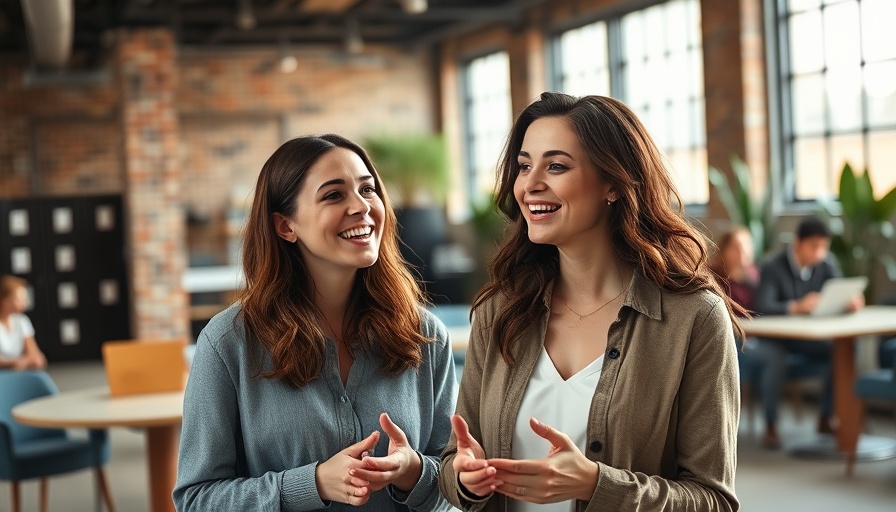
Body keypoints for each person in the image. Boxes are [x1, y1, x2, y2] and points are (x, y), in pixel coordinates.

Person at [439, 92, 741, 511]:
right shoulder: (500, 311)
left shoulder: (694, 318)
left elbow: (713, 500)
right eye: (525, 166)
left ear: (613, 185)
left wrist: (597, 485)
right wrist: (466, 480)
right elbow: (454, 458)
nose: (530, 184)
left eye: (556, 166)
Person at [174, 134, 457, 511]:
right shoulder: (228, 344)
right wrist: (313, 483)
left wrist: (414, 472)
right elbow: (197, 500)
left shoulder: (424, 335)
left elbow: (454, 490)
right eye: (333, 195)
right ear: (285, 226)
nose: (361, 207)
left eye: (368, 189)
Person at [752, 216, 863, 449]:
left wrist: (849, 301)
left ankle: (826, 416)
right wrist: (796, 306)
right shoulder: (774, 266)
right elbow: (762, 306)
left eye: (824, 247)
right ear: (798, 243)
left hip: (808, 338)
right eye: (814, 247)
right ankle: (771, 424)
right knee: (776, 359)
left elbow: (838, 291)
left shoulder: (826, 263)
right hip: (778, 339)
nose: (820, 253)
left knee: (844, 349)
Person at [0, 275, 47, 371]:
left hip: (18, 373)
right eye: (18, 299)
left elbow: (35, 354)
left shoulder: (22, 321)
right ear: (3, 299)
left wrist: (30, 360)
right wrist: (15, 362)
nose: (23, 303)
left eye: (24, 299)